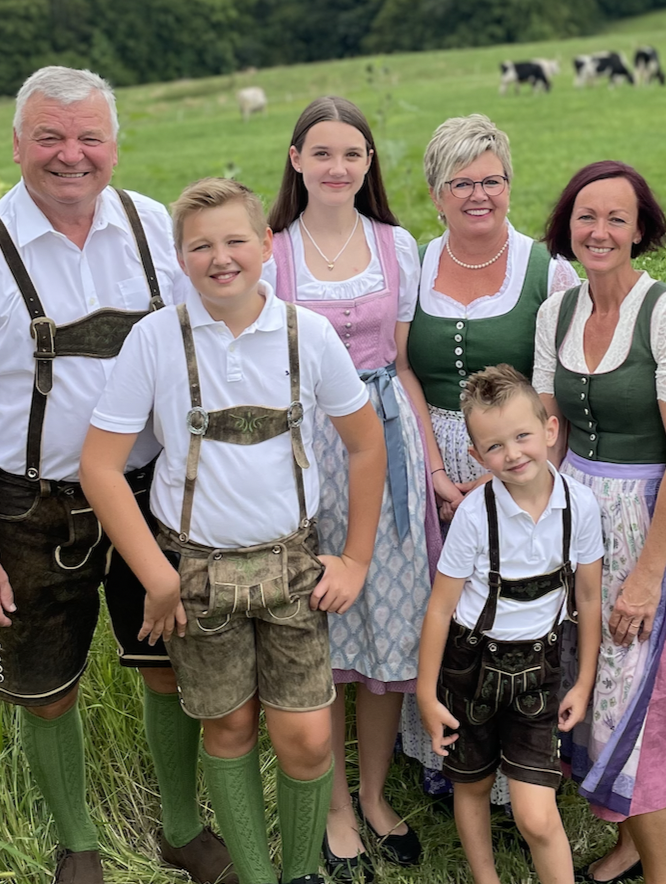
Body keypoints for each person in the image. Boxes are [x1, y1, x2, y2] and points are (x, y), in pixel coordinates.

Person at [0, 66, 233, 884]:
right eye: (50, 137)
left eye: (88, 137)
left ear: (114, 144)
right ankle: (77, 845)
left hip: (154, 490)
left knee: (170, 665)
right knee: (46, 687)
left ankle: (183, 828)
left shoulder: (156, 227)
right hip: (32, 508)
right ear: (18, 143)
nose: (70, 155)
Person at [80, 178, 385, 884]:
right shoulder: (155, 341)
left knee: (306, 738)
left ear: (266, 245)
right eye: (201, 246)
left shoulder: (305, 334)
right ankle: (254, 875)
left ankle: (302, 868)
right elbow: (99, 466)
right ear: (180, 258)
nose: (221, 258)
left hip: (292, 568)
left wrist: (357, 558)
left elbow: (367, 444)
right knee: (230, 729)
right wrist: (157, 575)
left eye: (235, 240)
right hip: (197, 573)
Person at [261, 96, 439, 882]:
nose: (338, 168)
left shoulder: (397, 246)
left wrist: (429, 468)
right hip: (304, 451)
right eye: (323, 153)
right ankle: (330, 800)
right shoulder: (271, 254)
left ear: (369, 166)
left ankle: (372, 793)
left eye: (354, 155)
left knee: (388, 627)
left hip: (385, 440)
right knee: (319, 629)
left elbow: (400, 366)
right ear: (295, 160)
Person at [534, 161, 666, 884]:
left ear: (640, 229)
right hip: (577, 516)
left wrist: (646, 575)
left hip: (646, 524)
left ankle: (661, 875)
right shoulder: (558, 313)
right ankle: (627, 848)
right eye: (587, 216)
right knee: (584, 685)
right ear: (568, 227)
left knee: (630, 708)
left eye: (617, 217)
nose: (600, 230)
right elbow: (552, 430)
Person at [400, 113, 579, 802]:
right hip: (428, 451)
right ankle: (443, 756)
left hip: (519, 460)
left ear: (509, 184)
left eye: (492, 179)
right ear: (436, 192)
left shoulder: (546, 269)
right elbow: (400, 368)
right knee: (440, 605)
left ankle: (515, 774)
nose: (479, 194)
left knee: (511, 606)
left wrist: (504, 474)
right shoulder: (413, 264)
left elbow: (557, 387)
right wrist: (440, 472)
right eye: (461, 181)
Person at [417, 364, 603, 884]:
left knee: (536, 815)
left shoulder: (579, 507)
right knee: (472, 784)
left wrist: (583, 682)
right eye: (495, 446)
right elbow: (440, 608)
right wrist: (427, 696)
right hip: (471, 665)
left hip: (538, 672)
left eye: (523, 435)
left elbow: (588, 598)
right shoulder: (476, 515)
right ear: (476, 456)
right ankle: (486, 878)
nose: (513, 454)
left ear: (549, 431)